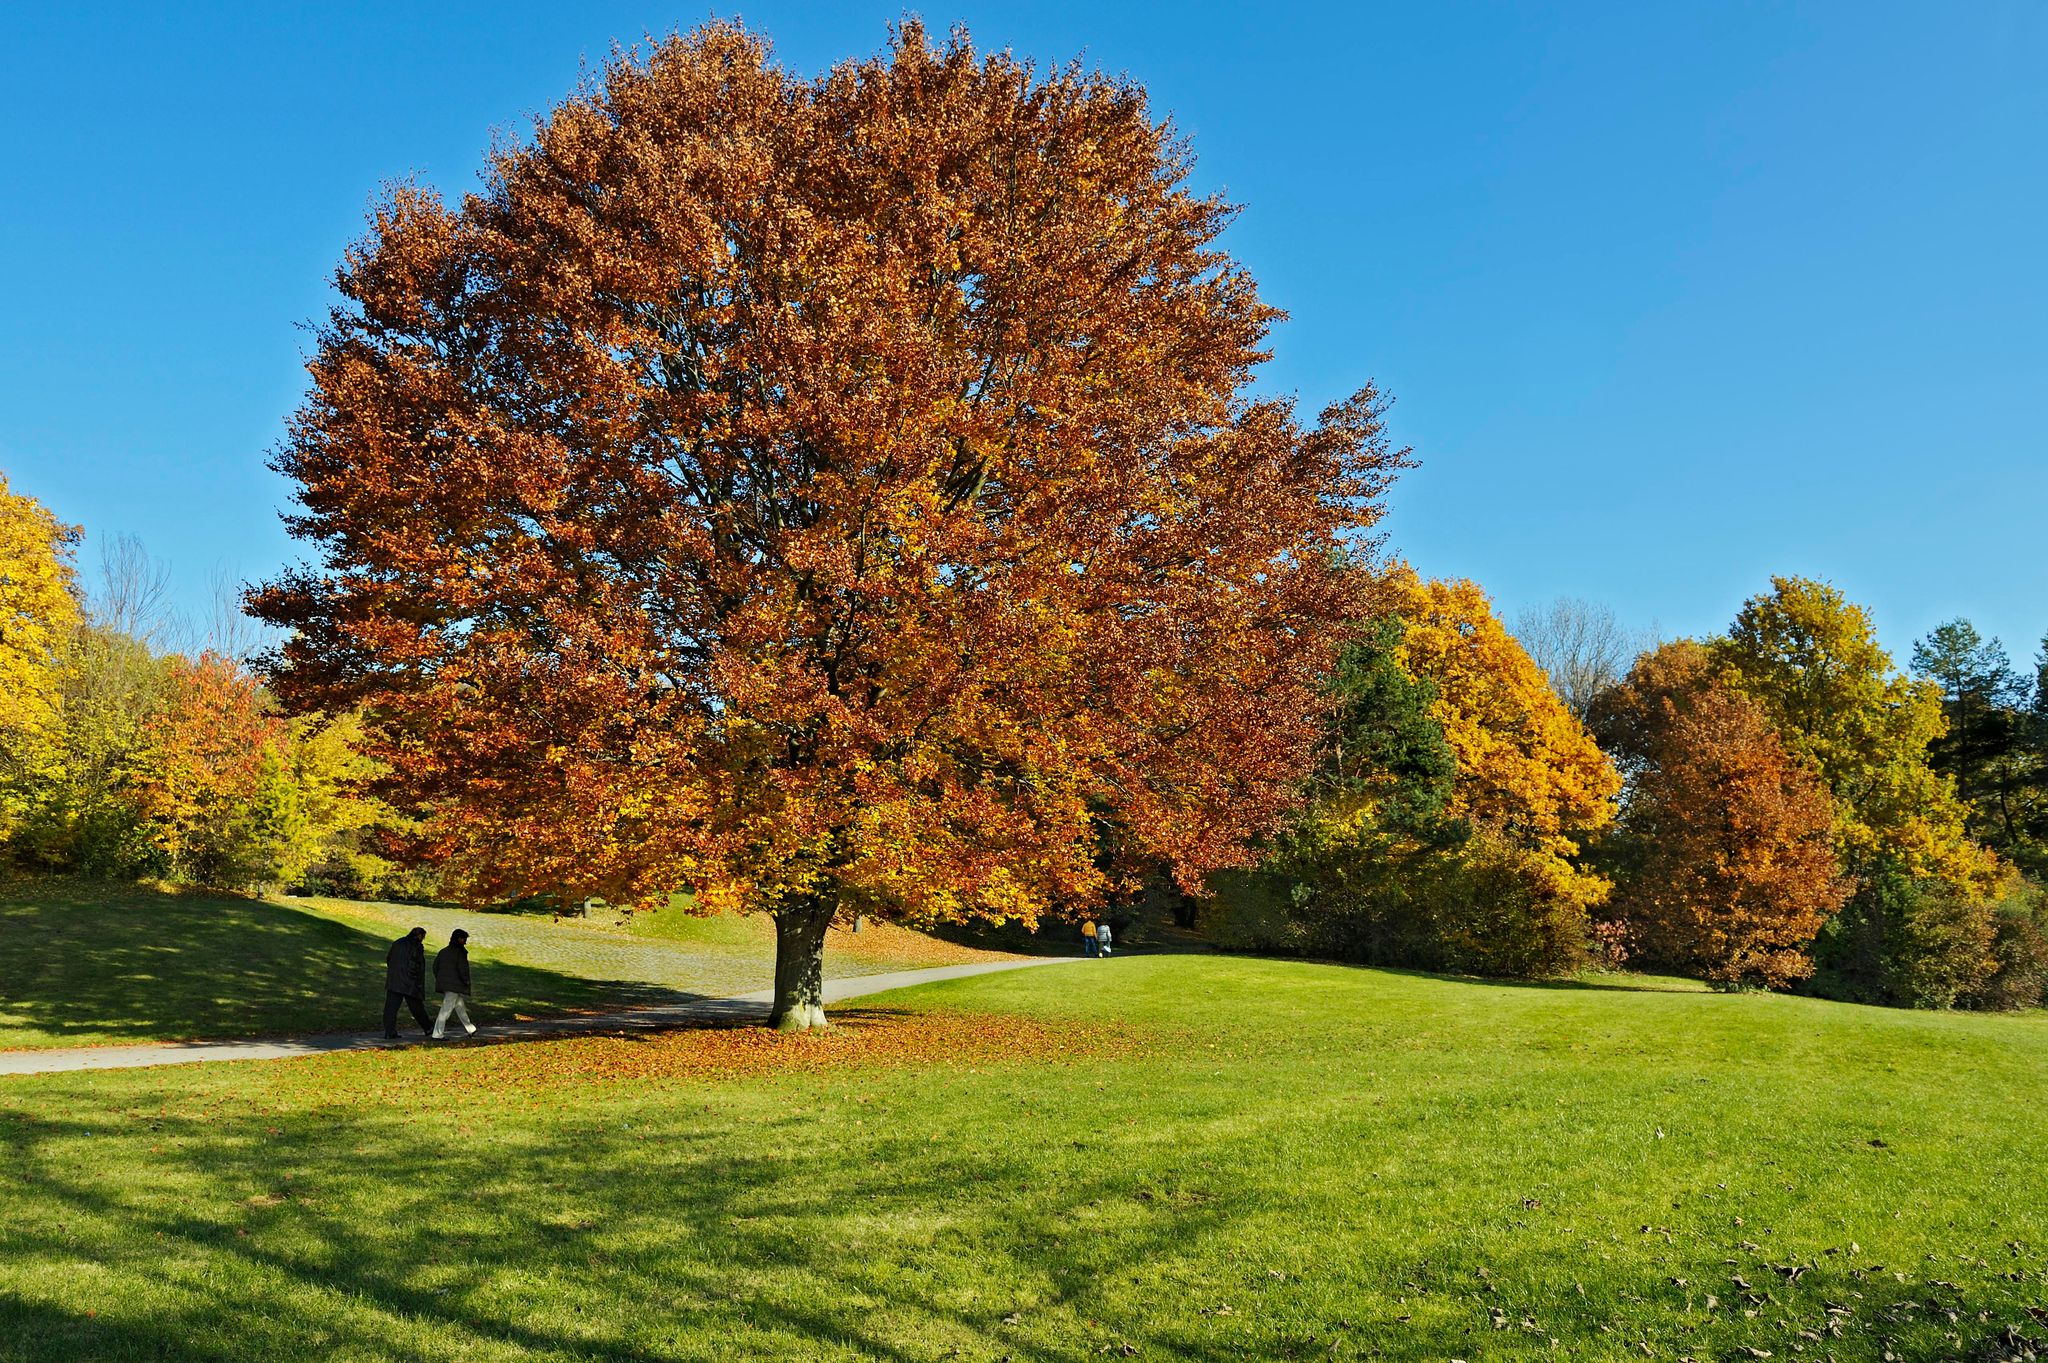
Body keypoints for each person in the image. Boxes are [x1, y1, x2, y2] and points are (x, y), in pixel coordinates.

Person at [383, 927, 432, 1039]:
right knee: (417, 1007)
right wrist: (416, 979)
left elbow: (389, 959)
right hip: (409, 982)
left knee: (391, 1008)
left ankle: (389, 1031)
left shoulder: (398, 942)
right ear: (419, 935)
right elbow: (416, 964)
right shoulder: (416, 946)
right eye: (423, 936)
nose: (423, 939)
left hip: (394, 980)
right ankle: (428, 1027)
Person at [432, 929, 478, 1040]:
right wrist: (466, 982)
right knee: (445, 1010)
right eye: (464, 939)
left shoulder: (443, 951)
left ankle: (470, 1028)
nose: (465, 942)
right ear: (459, 939)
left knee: (460, 1007)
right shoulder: (460, 952)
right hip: (455, 985)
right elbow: (463, 969)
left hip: (446, 984)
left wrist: (441, 979)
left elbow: (435, 967)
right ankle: (437, 1034)